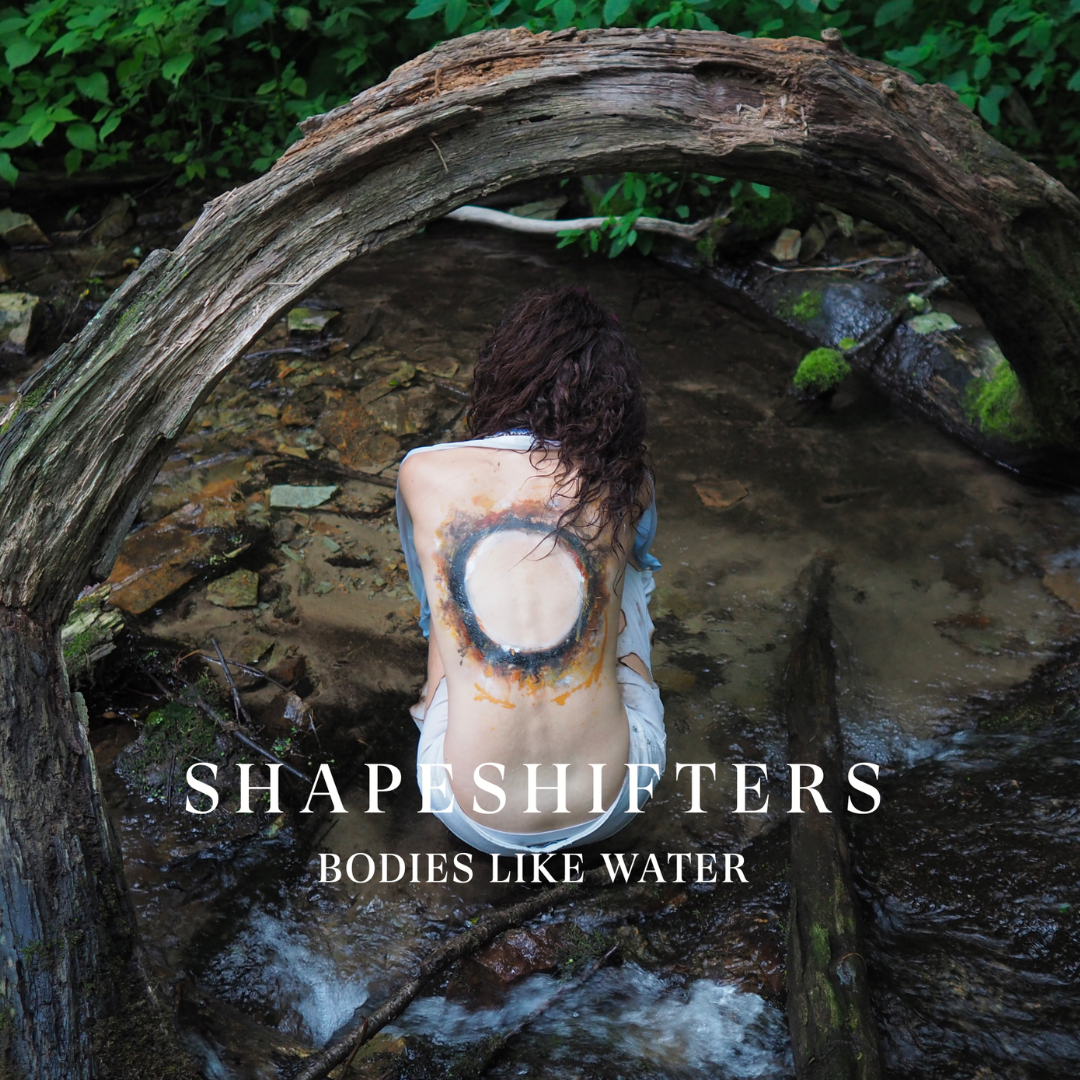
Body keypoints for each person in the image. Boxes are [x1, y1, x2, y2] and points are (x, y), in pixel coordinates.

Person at [395, 286, 665, 854]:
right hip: (613, 801)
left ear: (505, 373)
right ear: (612, 400)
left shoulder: (423, 471)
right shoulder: (626, 482)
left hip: (465, 810)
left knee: (447, 589)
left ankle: (434, 713)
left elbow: (430, 612)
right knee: (630, 571)